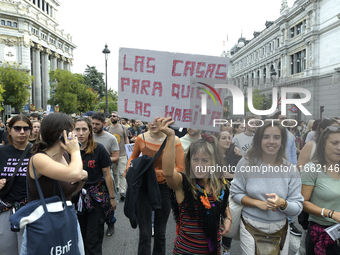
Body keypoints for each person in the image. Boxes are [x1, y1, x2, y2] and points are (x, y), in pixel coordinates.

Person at [156, 117, 230, 254]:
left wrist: (228, 218)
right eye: (195, 160)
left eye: (205, 160)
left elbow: (224, 204)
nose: (199, 165)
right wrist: (171, 136)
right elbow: (168, 173)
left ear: (213, 162)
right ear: (189, 162)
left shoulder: (220, 184)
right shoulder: (183, 184)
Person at [230, 121, 304, 255]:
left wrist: (283, 204)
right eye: (266, 137)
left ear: (282, 141)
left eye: (276, 137)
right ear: (259, 140)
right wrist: (257, 203)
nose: (271, 141)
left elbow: (297, 207)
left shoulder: (291, 170)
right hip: (250, 225)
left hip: (280, 229)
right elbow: (235, 193)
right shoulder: (245, 163)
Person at [25, 113, 88, 254]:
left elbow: (70, 189)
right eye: (73, 131)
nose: (76, 134)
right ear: (63, 134)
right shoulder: (39, 159)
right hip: (44, 225)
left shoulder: (65, 156)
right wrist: (76, 151)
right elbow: (76, 173)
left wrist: (83, 178)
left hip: (66, 220)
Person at [125, 118, 185, 255]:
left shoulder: (174, 140)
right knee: (144, 234)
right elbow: (132, 158)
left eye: (157, 120)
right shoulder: (141, 138)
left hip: (164, 189)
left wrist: (158, 173)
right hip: (144, 188)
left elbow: (180, 167)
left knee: (160, 233)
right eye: (149, 120)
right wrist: (129, 170)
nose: (152, 124)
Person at [74, 117, 116, 255]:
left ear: (90, 131)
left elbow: (107, 174)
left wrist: (112, 197)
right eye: (77, 129)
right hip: (74, 200)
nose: (80, 133)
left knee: (93, 239)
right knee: (79, 238)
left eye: (84, 129)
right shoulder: (68, 151)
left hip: (95, 200)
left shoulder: (99, 149)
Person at [301, 125, 340, 254]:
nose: (339, 147)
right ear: (323, 144)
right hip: (320, 234)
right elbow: (303, 202)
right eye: (335, 143)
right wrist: (330, 213)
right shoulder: (312, 168)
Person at [0, 115, 33, 255]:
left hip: (30, 209)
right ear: (9, 129)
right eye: (17, 128)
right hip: (5, 209)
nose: (22, 132)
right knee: (6, 249)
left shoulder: (37, 152)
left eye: (26, 128)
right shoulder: (2, 152)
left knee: (28, 250)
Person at [91, 112, 119, 237]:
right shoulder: (87, 136)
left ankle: (111, 223)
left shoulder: (111, 138)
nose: (94, 126)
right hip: (91, 174)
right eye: (92, 123)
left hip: (106, 173)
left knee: (108, 201)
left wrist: (102, 160)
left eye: (97, 124)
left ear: (104, 124)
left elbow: (116, 157)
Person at [216, 130, 242, 255]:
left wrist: (231, 174)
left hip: (230, 192)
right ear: (217, 140)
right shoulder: (211, 154)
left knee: (228, 219)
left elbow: (244, 173)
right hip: (214, 191)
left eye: (229, 138)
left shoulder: (236, 155)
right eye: (224, 138)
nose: (227, 140)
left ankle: (226, 249)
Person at [108, 111, 129, 201]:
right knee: (115, 173)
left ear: (118, 118)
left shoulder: (123, 128)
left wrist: (128, 151)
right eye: (111, 116)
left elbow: (126, 139)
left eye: (114, 116)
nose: (112, 117)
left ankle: (122, 191)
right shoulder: (108, 129)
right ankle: (116, 186)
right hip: (112, 155)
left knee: (122, 173)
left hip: (122, 154)